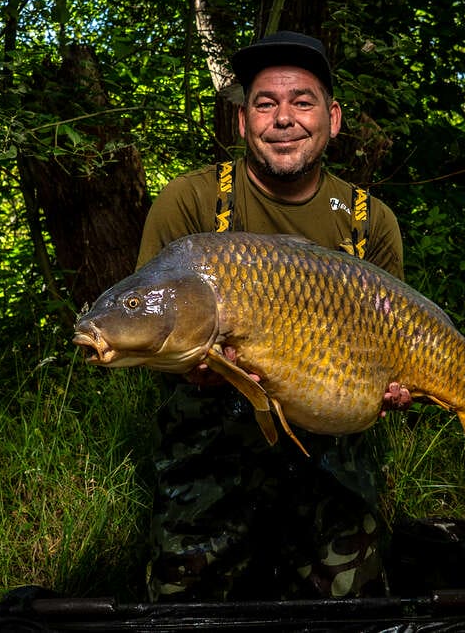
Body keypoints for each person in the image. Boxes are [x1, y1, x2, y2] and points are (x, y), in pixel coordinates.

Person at [136, 31, 408, 602]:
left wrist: (395, 387)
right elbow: (150, 325)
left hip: (332, 455)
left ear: (332, 119)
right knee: (188, 611)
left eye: (302, 102)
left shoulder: (370, 220)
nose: (284, 118)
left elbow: (395, 346)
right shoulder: (189, 204)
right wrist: (192, 368)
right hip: (212, 452)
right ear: (242, 122)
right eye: (265, 103)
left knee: (347, 609)